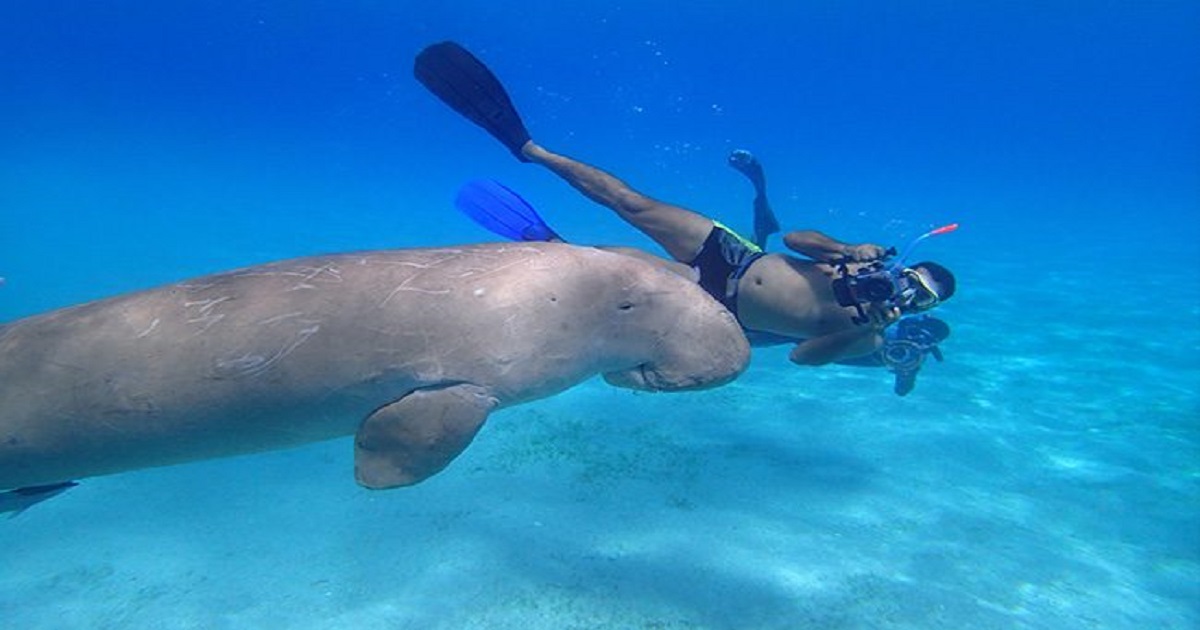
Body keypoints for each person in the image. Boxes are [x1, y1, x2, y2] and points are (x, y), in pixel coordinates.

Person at [416, 41, 956, 366]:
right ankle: (529, 148)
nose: (907, 294)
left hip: (714, 302)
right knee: (632, 203)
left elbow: (802, 356)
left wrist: (864, 329)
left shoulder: (869, 334)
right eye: (913, 280)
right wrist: (846, 248)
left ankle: (551, 248)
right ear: (904, 266)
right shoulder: (855, 263)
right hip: (738, 256)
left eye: (921, 300)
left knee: (607, 265)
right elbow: (794, 241)